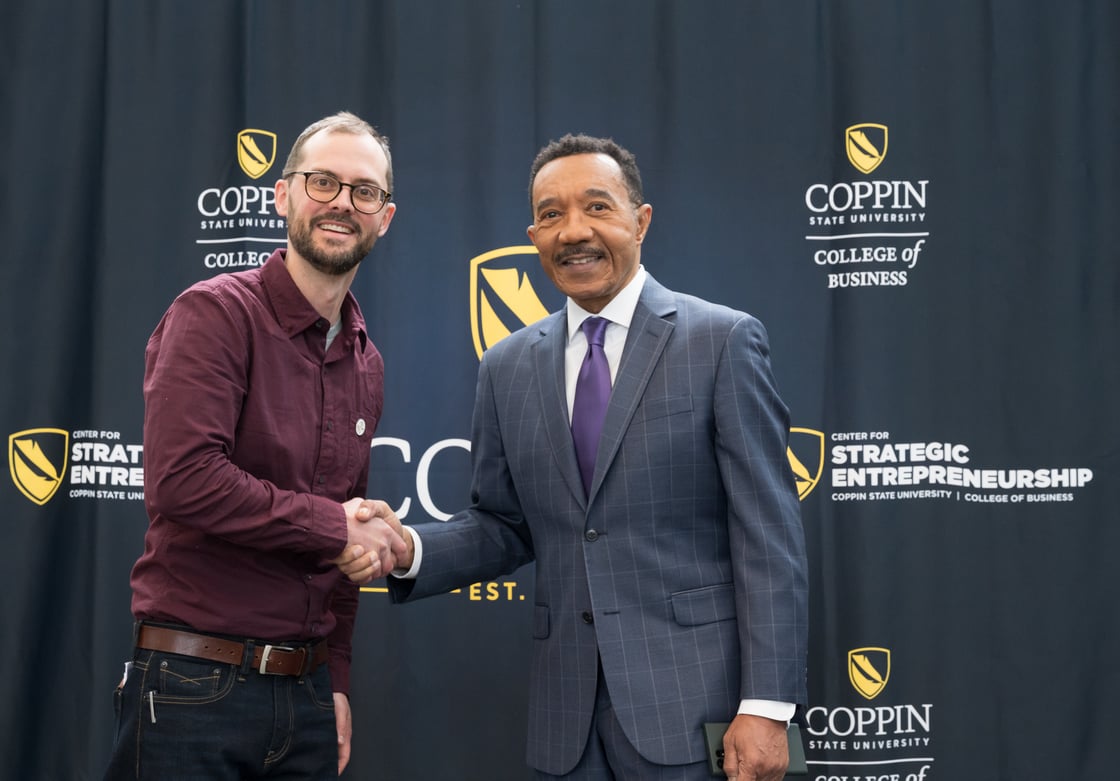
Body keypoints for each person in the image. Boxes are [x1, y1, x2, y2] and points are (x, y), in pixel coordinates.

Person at [343, 134, 809, 780]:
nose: (574, 231)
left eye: (597, 207)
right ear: (533, 235)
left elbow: (769, 536)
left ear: (640, 222)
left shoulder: (721, 342)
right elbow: (502, 527)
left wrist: (767, 705)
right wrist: (408, 550)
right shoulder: (505, 366)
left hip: (702, 715)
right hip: (566, 729)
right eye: (552, 214)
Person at [103, 111, 409, 780]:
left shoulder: (366, 360)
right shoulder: (214, 314)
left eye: (364, 191)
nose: (342, 203)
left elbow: (346, 547)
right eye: (322, 181)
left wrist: (337, 679)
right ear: (283, 194)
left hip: (304, 695)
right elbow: (184, 480)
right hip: (191, 688)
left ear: (384, 217)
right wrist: (334, 524)